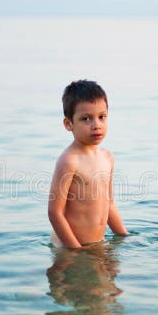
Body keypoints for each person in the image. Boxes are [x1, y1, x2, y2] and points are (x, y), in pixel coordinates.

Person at [48, 80, 129, 248]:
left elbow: (110, 204)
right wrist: (75, 250)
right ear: (69, 124)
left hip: (97, 245)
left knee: (112, 273)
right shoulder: (69, 161)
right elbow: (55, 212)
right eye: (86, 119)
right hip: (69, 248)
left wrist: (124, 236)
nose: (96, 125)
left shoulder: (107, 158)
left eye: (102, 117)